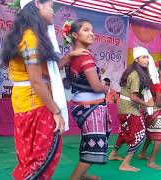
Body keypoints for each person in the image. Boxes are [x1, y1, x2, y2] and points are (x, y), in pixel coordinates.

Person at [1, 0, 87, 179]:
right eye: (51, 7)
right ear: (38, 5)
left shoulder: (28, 34)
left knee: (32, 155)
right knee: (42, 156)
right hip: (35, 102)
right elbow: (36, 81)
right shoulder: (31, 37)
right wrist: (55, 110)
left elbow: (46, 72)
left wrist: (70, 55)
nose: (53, 12)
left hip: (28, 101)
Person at [61, 19, 112, 180]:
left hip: (83, 106)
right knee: (95, 146)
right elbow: (97, 87)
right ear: (75, 35)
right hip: (91, 108)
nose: (91, 33)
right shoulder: (85, 58)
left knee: (89, 142)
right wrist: (107, 88)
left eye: (92, 30)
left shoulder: (74, 57)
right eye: (86, 30)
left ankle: (82, 176)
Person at [108, 46, 154, 172]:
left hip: (122, 108)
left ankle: (113, 154)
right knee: (139, 135)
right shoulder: (136, 75)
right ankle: (125, 164)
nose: (146, 60)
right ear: (137, 59)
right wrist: (147, 104)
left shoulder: (132, 71)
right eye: (144, 57)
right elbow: (134, 97)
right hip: (129, 109)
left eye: (147, 57)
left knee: (124, 132)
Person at [138, 61, 161, 170]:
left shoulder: (158, 81)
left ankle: (142, 153)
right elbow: (158, 102)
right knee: (159, 137)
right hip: (156, 110)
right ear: (160, 70)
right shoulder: (159, 83)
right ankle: (151, 161)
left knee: (151, 133)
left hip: (151, 110)